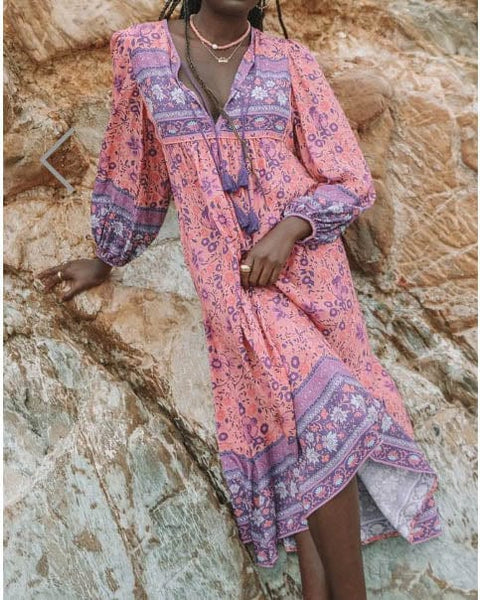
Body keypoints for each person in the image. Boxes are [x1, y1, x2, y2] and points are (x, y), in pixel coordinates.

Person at [36, 1, 442, 598]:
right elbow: (137, 166)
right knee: (327, 415)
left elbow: (350, 179)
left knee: (318, 425)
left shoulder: (292, 62)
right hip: (233, 284)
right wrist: (107, 256)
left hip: (312, 276)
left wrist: (291, 228)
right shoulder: (141, 51)